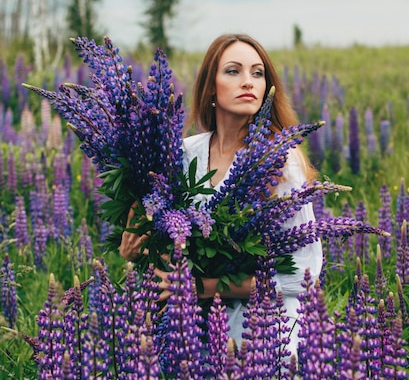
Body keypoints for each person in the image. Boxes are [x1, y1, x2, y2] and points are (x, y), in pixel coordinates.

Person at [119, 33, 323, 355]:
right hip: (189, 330)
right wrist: (134, 251)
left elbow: (301, 274)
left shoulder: (280, 160)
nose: (248, 82)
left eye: (258, 73)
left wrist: (201, 287)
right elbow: (167, 248)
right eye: (233, 71)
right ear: (211, 87)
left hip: (268, 332)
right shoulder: (185, 153)